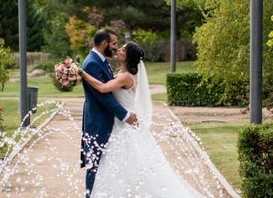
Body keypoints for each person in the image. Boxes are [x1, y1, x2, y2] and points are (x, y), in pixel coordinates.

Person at [81, 41, 203, 198]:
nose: (119, 50)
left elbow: (103, 88)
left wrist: (82, 73)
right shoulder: (120, 73)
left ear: (128, 57)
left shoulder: (125, 77)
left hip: (126, 127)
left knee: (130, 166)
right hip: (120, 124)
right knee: (123, 168)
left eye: (123, 50)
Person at [80, 29, 138, 197]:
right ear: (104, 43)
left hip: (109, 122)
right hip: (97, 122)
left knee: (107, 164)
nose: (116, 48)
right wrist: (126, 115)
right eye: (114, 44)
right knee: (95, 164)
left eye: (120, 47)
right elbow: (104, 95)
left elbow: (107, 89)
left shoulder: (102, 61)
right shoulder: (92, 63)